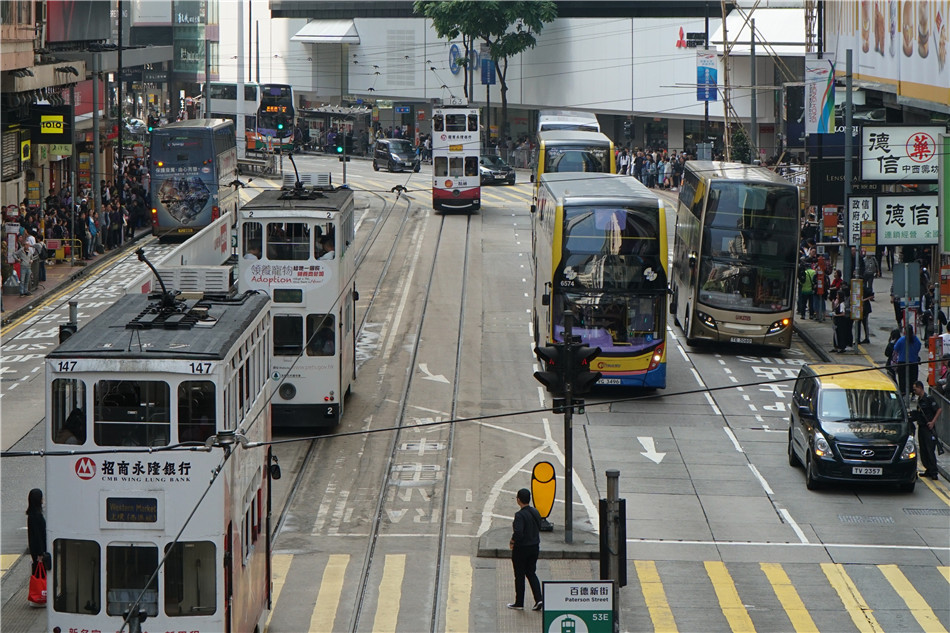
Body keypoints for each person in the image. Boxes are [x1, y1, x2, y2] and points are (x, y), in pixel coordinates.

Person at [507, 488, 543, 611]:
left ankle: (519, 602)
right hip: (534, 547)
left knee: (520, 575)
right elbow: (540, 526)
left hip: (521, 549)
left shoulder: (519, 515)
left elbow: (518, 532)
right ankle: (539, 599)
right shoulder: (535, 512)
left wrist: (512, 541)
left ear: (518, 500)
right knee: (531, 573)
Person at [912, 381, 941, 480]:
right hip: (921, 427)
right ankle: (928, 469)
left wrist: (933, 422)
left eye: (915, 389)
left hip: (928, 428)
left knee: (930, 450)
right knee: (923, 450)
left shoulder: (929, 398)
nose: (914, 391)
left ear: (920, 388)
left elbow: (939, 409)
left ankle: (934, 471)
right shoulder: (919, 400)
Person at [893, 325, 921, 396]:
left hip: (902, 362)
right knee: (913, 379)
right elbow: (919, 347)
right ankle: (913, 393)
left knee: (902, 380)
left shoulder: (902, 340)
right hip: (913, 362)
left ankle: (903, 393)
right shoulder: (916, 340)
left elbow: (895, 348)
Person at [26, 488, 46, 572]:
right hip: (39, 552)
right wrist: (40, 553)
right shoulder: (37, 516)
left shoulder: (31, 515)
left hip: (34, 551)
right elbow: (38, 536)